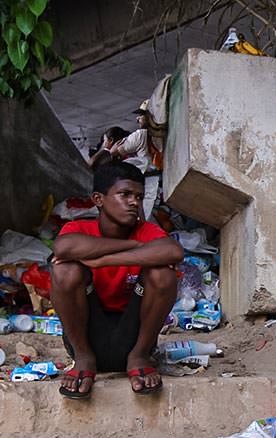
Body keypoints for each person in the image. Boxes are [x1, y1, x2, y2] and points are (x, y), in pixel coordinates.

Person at [51, 162, 183, 398]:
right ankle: (83, 359)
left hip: (134, 339)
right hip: (87, 337)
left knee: (162, 273)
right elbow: (63, 247)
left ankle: (140, 357)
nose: (134, 202)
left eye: (139, 197)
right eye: (125, 194)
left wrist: (102, 261)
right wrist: (134, 246)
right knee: (65, 271)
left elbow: (173, 251)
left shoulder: (147, 231)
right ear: (98, 199)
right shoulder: (80, 227)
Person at [110, 99, 164, 220]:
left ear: (151, 116)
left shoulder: (141, 135)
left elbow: (116, 151)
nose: (137, 119)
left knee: (142, 219)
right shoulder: (169, 132)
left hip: (149, 184)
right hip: (165, 182)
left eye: (141, 115)